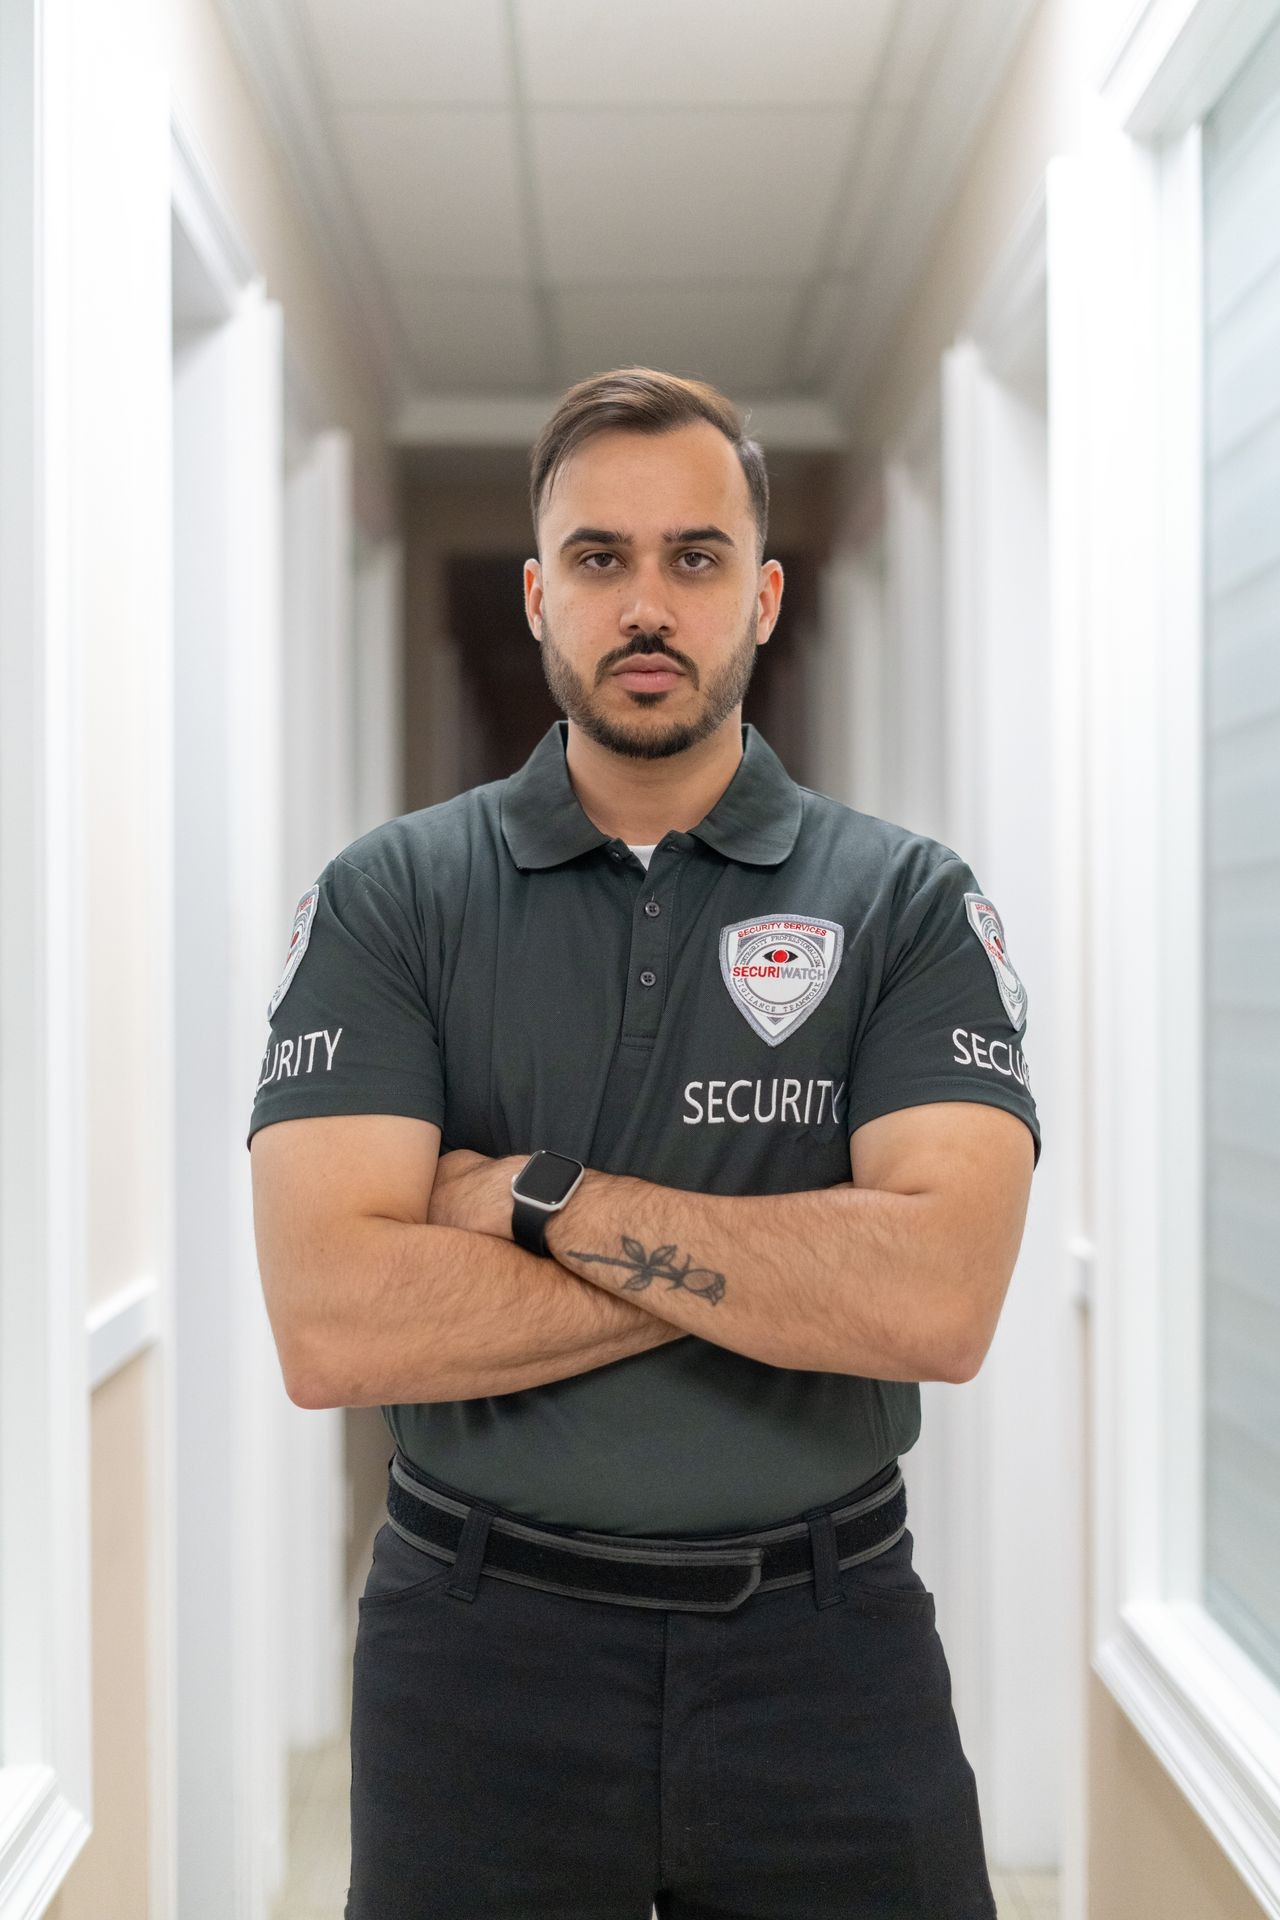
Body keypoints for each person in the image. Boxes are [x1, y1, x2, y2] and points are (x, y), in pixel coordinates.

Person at [247, 366, 1040, 1920]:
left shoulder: (906, 903)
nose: (648, 602)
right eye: (601, 559)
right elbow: (333, 1326)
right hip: (479, 1654)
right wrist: (794, 1267)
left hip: (830, 1646)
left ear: (763, 595)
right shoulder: (392, 898)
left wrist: (532, 1196)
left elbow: (937, 1305)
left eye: (696, 556)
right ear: (541, 594)